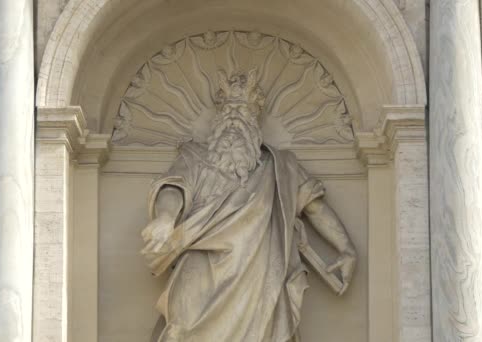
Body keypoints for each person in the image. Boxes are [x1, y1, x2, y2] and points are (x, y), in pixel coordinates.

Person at [141, 69, 357, 342]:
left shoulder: (280, 167)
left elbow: (314, 207)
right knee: (182, 331)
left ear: (254, 123)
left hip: (257, 273)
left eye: (241, 118)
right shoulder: (194, 158)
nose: (234, 124)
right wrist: (165, 218)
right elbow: (173, 188)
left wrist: (345, 248)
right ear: (218, 122)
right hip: (200, 267)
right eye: (228, 117)